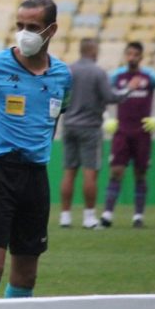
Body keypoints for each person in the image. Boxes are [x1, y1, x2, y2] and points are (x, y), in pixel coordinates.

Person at [0, 0, 71, 299]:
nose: (24, 33)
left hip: (35, 176)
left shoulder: (63, 75)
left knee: (27, 272)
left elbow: (55, 115)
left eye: (33, 27)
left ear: (51, 30)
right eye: (20, 25)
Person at [59, 38, 139, 228]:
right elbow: (111, 97)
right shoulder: (98, 72)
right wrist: (129, 89)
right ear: (94, 51)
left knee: (69, 172)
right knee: (90, 172)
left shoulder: (68, 70)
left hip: (69, 125)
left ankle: (65, 216)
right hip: (90, 128)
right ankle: (88, 217)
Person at [100, 41, 155, 228]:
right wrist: (106, 118)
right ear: (125, 56)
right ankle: (107, 215)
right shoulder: (116, 76)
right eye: (129, 54)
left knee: (140, 173)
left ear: (141, 57)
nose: (132, 57)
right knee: (116, 171)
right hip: (122, 131)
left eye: (136, 54)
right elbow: (100, 96)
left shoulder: (150, 76)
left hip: (143, 132)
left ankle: (138, 217)